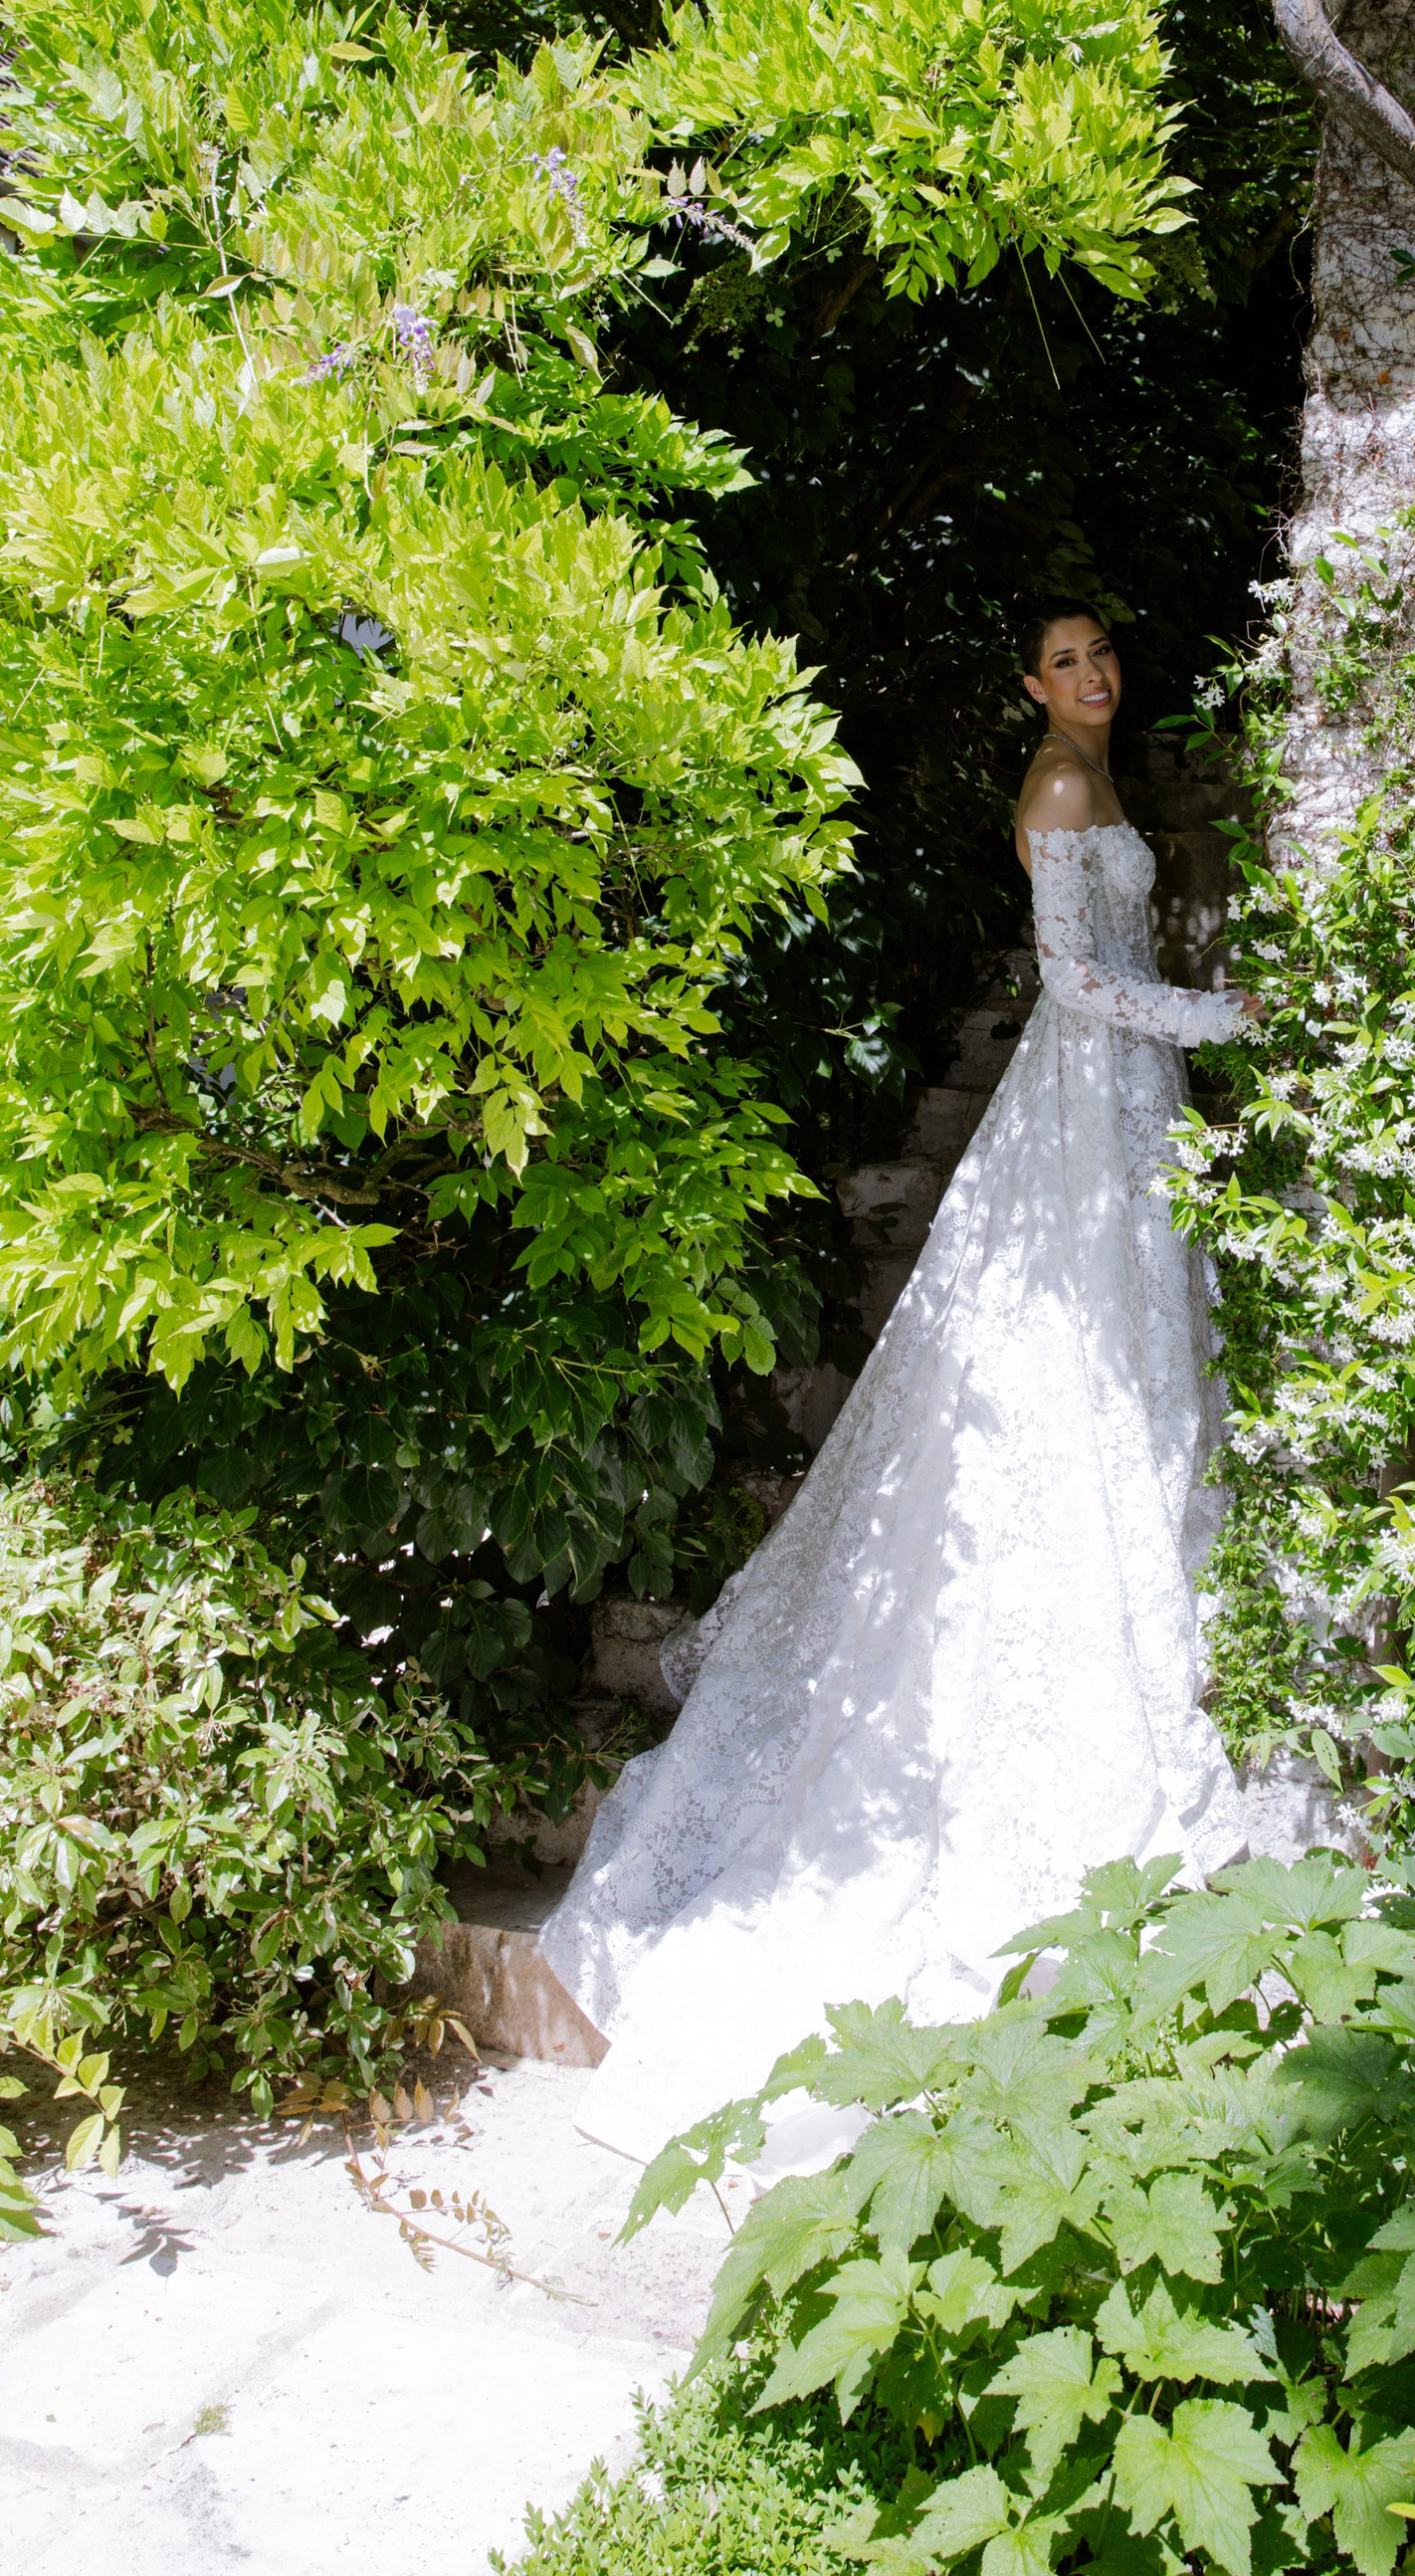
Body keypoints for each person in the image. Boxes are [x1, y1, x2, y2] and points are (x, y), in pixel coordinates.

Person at [541, 604, 1271, 2170]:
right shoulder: (1059, 791)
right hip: (1088, 1090)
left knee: (1140, 1348)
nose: (1093, 679)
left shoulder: (1101, 773)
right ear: (1027, 685)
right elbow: (1077, 983)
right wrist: (1228, 1016)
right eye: (1066, 663)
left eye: (1102, 657)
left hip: (1126, 1100)